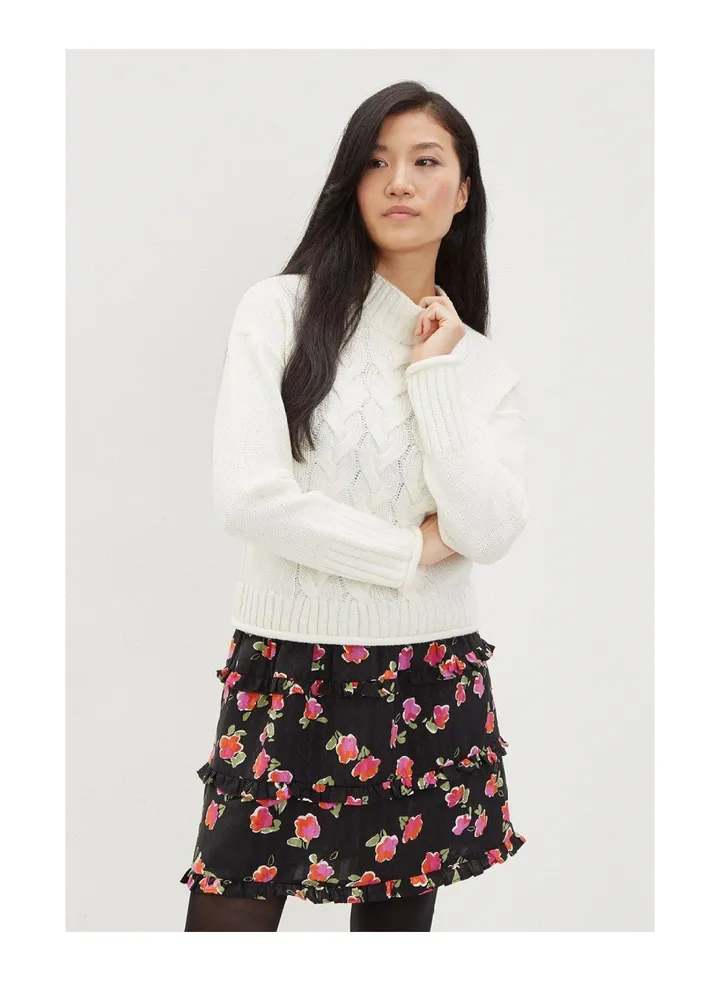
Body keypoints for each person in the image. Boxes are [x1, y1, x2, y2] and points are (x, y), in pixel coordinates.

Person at [181, 79, 529, 932]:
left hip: (428, 675)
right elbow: (249, 497)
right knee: (226, 926)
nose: (399, 182)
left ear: (463, 190)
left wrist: (436, 375)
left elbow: (488, 530)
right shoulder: (280, 310)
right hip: (288, 669)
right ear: (351, 179)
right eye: (376, 162)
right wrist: (409, 552)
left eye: (425, 162)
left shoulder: (480, 367)